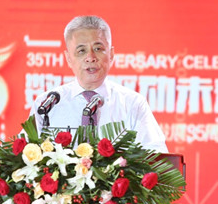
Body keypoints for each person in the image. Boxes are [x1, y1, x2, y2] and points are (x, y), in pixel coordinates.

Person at [28, 15, 168, 153]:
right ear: (68, 58)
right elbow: (25, 156)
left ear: (111, 54)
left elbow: (156, 157)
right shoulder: (46, 104)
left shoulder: (133, 104)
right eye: (81, 51)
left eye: (98, 49)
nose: (90, 58)